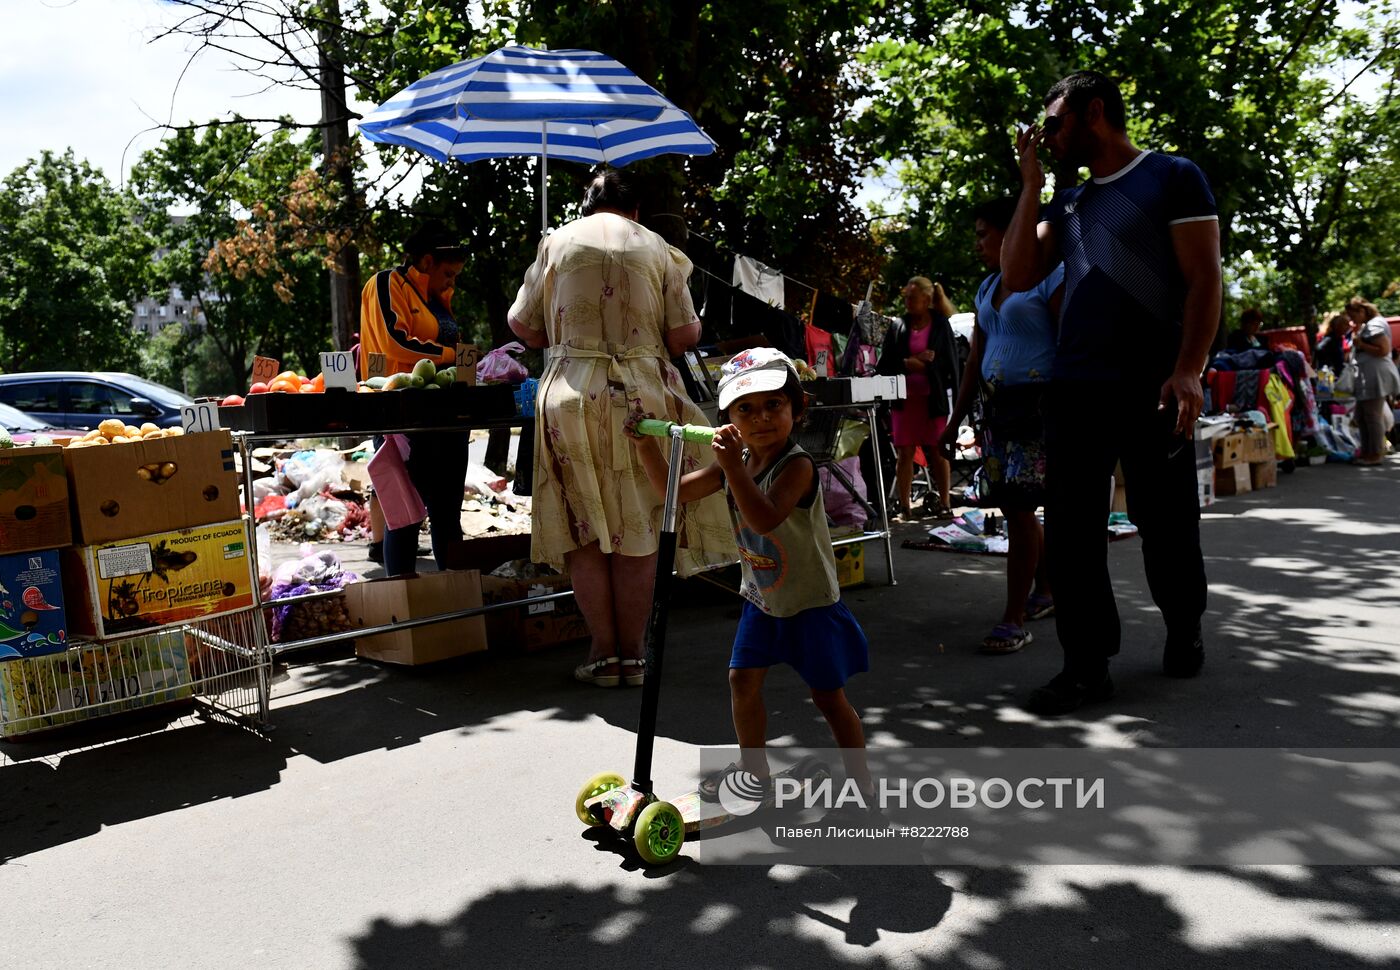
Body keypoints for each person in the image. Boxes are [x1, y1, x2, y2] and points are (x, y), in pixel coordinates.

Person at [1002, 70, 1222, 715]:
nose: (1046, 136)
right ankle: (1085, 665)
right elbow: (1015, 275)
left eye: (1055, 124)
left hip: (1153, 385)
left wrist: (1188, 370)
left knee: (1167, 525)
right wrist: (1032, 185)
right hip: (1076, 388)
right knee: (1071, 531)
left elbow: (1205, 277)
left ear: (1093, 112)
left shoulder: (1172, 176)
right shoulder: (1066, 203)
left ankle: (1184, 628)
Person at [507, 168, 734, 687]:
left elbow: (522, 327)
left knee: (583, 526)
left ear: (588, 206)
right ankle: (634, 657)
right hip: (640, 395)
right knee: (639, 524)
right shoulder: (657, 247)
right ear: (635, 211)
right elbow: (682, 336)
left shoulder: (556, 242)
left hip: (568, 393)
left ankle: (602, 654)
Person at [628, 348, 874, 803]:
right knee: (741, 681)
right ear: (729, 418)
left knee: (828, 698)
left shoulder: (797, 466)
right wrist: (647, 446)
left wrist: (733, 468)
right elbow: (675, 493)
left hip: (809, 604)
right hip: (762, 599)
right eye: (746, 409)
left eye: (773, 405)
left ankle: (862, 784)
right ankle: (755, 773)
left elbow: (763, 519)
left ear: (796, 410)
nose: (760, 418)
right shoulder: (738, 461)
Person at [941, 197, 1061, 655]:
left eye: (983, 233)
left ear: (1015, 233)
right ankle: (1046, 592)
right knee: (1019, 508)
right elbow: (976, 358)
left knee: (1019, 509)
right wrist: (955, 420)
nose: (977, 244)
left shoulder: (1051, 279)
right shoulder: (988, 287)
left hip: (1037, 412)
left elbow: (1069, 343)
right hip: (997, 413)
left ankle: (1013, 618)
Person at [359, 222, 469, 576]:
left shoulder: (437, 299)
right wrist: (455, 355)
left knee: (448, 516)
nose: (452, 282)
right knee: (403, 516)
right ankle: (403, 609)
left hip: (445, 419)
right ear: (425, 261)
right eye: (448, 273)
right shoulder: (386, 284)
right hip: (399, 418)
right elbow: (396, 341)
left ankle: (454, 601)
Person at [876, 277, 960, 518]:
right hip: (905, 401)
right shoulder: (898, 325)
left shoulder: (940, 324)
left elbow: (950, 363)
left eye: (912, 297)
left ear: (926, 299)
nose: (908, 302)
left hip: (933, 400)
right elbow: (886, 362)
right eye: (906, 297)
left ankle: (945, 503)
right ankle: (905, 507)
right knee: (905, 454)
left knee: (937, 452)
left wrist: (928, 366)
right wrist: (909, 362)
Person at [1345, 297, 1400, 464]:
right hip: (1369, 376)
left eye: (1352, 315)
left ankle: (1374, 454)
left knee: (1372, 416)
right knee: (1362, 416)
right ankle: (1367, 452)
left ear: (1362, 311)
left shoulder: (1375, 325)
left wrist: (1361, 344)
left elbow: (1383, 349)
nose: (1351, 320)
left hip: (1376, 376)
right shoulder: (1371, 325)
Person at [1314, 310, 1351, 377]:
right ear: (1338, 326)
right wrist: (1328, 364)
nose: (1349, 327)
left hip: (1336, 375)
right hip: (1328, 375)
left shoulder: (1338, 338)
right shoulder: (1330, 339)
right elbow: (1318, 349)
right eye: (1346, 324)